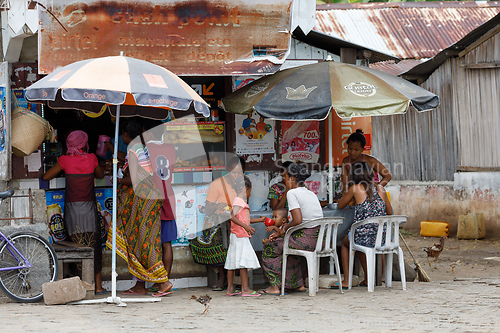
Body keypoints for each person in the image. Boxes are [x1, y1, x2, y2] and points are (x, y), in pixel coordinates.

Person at [106, 120, 173, 296]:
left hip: (144, 201)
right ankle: (140, 285)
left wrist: (119, 180)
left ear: (125, 136)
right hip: (151, 199)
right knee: (142, 241)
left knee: (144, 242)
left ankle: (163, 283)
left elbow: (136, 180)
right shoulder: (142, 149)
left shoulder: (134, 150)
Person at [43, 130, 106, 294]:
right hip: (89, 210)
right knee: (95, 246)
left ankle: (82, 286)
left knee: (76, 246)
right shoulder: (92, 158)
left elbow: (46, 176)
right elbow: (100, 175)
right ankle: (98, 286)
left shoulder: (64, 160)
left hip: (73, 212)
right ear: (85, 143)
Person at [260, 162, 323, 295]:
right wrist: (282, 232)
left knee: (269, 247)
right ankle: (297, 285)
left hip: (305, 241)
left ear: (292, 178)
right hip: (318, 240)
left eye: (286, 176)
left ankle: (275, 287)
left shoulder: (292, 193)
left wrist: (283, 230)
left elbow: (297, 220)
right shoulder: (310, 193)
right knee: (284, 246)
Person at [189, 156, 246, 291]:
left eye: (240, 173)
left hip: (236, 219)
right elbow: (208, 209)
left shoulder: (244, 185)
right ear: (227, 170)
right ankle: (223, 275)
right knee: (217, 237)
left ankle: (236, 275)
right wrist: (218, 206)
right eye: (234, 172)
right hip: (218, 220)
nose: (237, 175)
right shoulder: (217, 184)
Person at [335, 161, 393, 289]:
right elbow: (390, 212)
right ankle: (368, 279)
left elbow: (340, 205)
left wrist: (351, 197)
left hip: (364, 237)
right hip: (381, 238)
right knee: (358, 238)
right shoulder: (380, 188)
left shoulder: (355, 188)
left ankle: (346, 280)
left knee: (346, 243)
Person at [143, 121, 177, 294]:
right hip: (168, 196)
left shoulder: (145, 149)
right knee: (166, 243)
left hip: (153, 198)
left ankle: (162, 282)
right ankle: (165, 280)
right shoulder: (170, 148)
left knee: (151, 243)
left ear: (148, 133)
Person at [225, 176, 264, 297]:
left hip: (236, 235)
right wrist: (246, 227)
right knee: (243, 263)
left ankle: (230, 288)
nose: (250, 195)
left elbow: (245, 219)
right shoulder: (238, 201)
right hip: (240, 236)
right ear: (244, 189)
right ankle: (245, 289)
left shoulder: (239, 202)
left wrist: (259, 220)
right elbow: (231, 216)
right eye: (249, 191)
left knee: (232, 262)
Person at [341, 129, 391, 194]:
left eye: (356, 150)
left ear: (362, 149)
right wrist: (347, 195)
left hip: (372, 195)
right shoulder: (345, 161)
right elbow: (345, 184)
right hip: (355, 195)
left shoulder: (371, 161)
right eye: (350, 148)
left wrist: (377, 189)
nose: (352, 152)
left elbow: (387, 176)